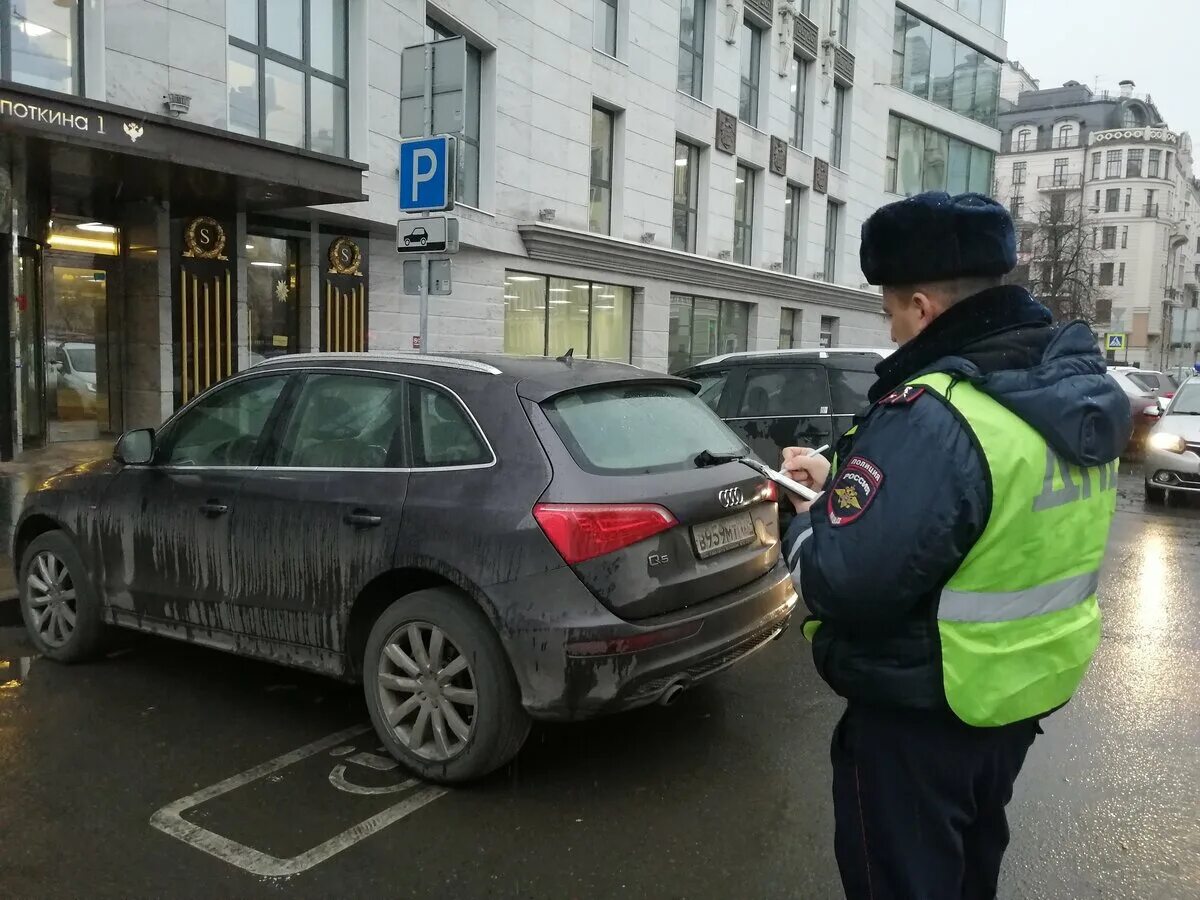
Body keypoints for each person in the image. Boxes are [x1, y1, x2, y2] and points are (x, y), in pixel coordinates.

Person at [779, 191, 1131, 900]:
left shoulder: (937, 414)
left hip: (920, 714)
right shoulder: (1063, 391)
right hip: (1012, 697)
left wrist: (806, 522)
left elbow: (847, 579)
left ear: (922, 307)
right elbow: (982, 519)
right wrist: (845, 482)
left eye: (889, 311)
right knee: (970, 873)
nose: (891, 329)